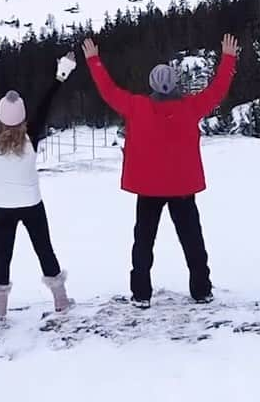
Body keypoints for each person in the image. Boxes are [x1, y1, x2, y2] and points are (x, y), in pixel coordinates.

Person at [82, 33, 239, 308]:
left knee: (143, 241)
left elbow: (108, 90)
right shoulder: (191, 107)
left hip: (148, 188)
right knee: (192, 240)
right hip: (182, 188)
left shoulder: (137, 107)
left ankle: (141, 294)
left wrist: (94, 60)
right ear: (176, 83)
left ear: (151, 85)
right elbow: (217, 90)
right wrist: (228, 59)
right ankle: (201, 290)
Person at [0, 53, 76, 320]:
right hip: (31, 205)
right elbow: (46, 103)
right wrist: (61, 74)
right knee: (44, 249)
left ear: (1, 118)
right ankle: (60, 301)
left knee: (2, 256)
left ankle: (0, 310)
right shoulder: (30, 137)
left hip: (1, 207)